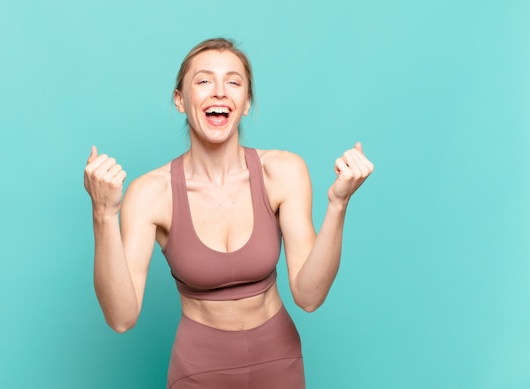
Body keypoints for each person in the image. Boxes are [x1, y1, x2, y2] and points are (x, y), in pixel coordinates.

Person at [83, 37, 374, 388]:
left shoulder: (282, 172)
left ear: (246, 102)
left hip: (278, 360)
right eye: (204, 80)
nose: (219, 91)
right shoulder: (151, 193)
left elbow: (309, 297)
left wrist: (338, 204)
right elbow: (121, 318)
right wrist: (103, 214)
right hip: (198, 369)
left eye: (233, 82)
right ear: (180, 100)